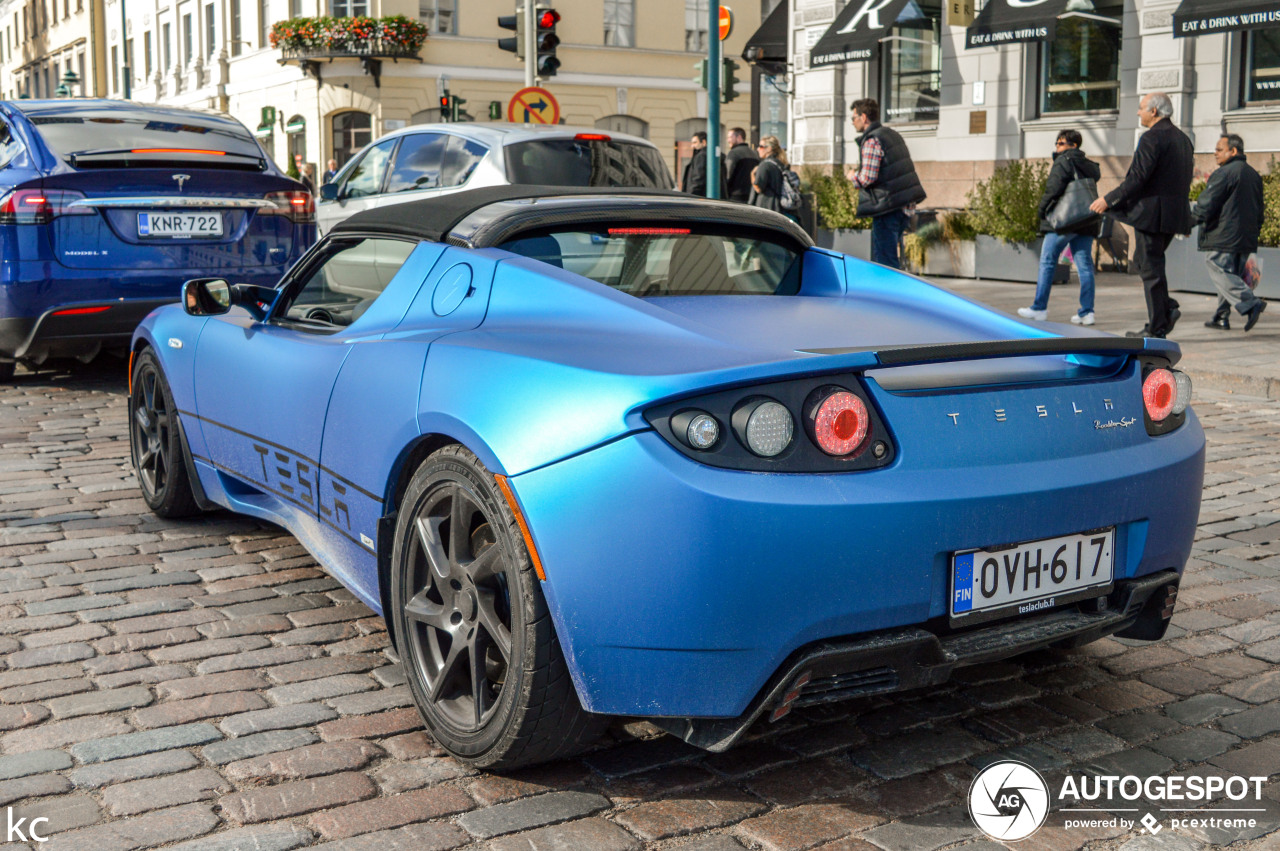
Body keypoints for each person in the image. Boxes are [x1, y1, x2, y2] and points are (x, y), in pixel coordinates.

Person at [1089, 92, 1194, 338]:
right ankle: (1166, 309)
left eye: (1141, 108)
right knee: (1146, 262)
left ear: (1154, 111)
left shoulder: (1151, 138)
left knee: (1150, 267)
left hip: (1152, 214)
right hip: (1173, 215)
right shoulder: (1183, 139)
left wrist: (1108, 199)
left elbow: (1137, 178)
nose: (1138, 113)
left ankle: (1157, 327)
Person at [1018, 130, 1102, 325]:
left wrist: (1041, 211)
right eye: (1057, 143)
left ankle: (1039, 308)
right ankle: (1087, 312)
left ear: (1073, 145)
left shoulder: (1063, 161)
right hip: (1086, 220)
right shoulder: (1090, 166)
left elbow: (1052, 189)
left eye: (1062, 142)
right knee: (1084, 266)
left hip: (1064, 222)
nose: (1058, 146)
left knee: (1047, 262)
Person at [1193, 133, 1266, 331]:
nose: (1215, 153)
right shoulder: (1253, 174)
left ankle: (1251, 303)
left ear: (1233, 151)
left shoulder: (1224, 173)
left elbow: (1207, 204)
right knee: (1231, 274)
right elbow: (1260, 210)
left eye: (1219, 149)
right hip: (1245, 236)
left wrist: (1186, 222)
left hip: (1223, 236)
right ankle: (1221, 316)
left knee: (1219, 269)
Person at [846, 98, 927, 269]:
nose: (852, 122)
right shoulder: (892, 134)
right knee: (891, 258)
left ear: (864, 117)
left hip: (886, 208)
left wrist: (853, 176)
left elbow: (867, 178)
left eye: (854, 118)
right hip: (902, 206)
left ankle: (889, 294)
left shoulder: (872, 140)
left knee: (885, 261)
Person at [749, 136, 797, 222]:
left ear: (769, 149)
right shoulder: (780, 164)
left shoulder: (765, 165)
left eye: (761, 146)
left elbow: (758, 188)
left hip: (766, 206)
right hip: (779, 207)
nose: (758, 149)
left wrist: (752, 174)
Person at [723, 127, 759, 203]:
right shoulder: (755, 154)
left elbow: (727, 174)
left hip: (735, 197)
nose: (728, 140)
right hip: (751, 196)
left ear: (739, 137)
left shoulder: (733, 153)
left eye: (730, 137)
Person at [682, 132, 711, 196]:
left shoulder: (701, 156)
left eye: (695, 143)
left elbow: (698, 180)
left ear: (703, 142)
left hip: (700, 197)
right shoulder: (713, 156)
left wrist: (690, 195)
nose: (692, 146)